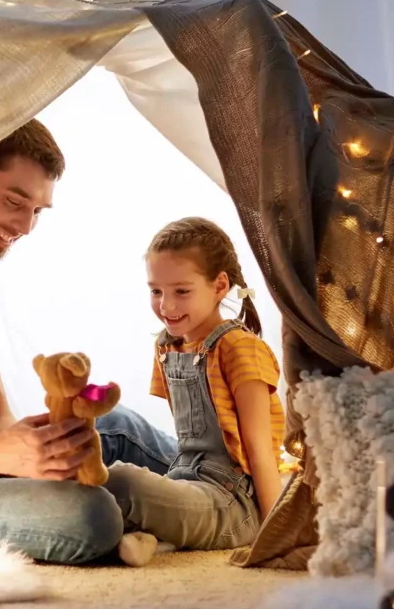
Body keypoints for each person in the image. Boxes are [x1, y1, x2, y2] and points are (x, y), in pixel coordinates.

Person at [0, 118, 177, 565]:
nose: (25, 226)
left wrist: (37, 442)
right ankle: (176, 508)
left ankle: (228, 491)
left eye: (38, 211)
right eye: (14, 201)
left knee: (115, 426)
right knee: (92, 517)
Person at [102, 217, 285, 566]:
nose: (166, 306)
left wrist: (276, 535)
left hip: (234, 502)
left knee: (123, 481)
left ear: (219, 286)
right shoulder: (167, 346)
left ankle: (147, 529)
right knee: (109, 422)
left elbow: (260, 452)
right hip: (186, 474)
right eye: (156, 291)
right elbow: (190, 443)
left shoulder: (240, 349)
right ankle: (155, 537)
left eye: (181, 291)